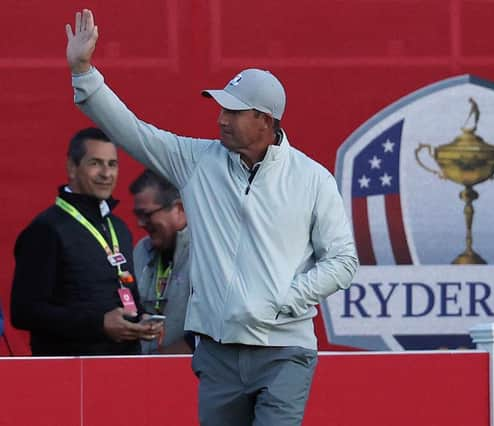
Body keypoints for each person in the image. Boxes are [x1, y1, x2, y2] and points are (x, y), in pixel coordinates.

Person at [66, 10, 358, 425]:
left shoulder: (313, 179)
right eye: (221, 109)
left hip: (285, 353)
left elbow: (343, 262)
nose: (221, 118)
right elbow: (133, 131)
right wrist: (84, 72)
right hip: (218, 355)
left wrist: (282, 302)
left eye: (234, 112)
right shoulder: (198, 161)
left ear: (265, 119)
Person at [11, 127, 161, 356]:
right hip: (70, 374)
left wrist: (141, 319)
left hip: (126, 368)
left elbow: (125, 294)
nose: (106, 173)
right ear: (72, 167)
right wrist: (98, 324)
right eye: (95, 163)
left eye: (112, 164)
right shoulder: (46, 229)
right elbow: (24, 312)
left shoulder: (118, 228)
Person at [130, 169, 193, 354]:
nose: (140, 223)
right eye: (137, 214)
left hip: (193, 376)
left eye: (147, 214)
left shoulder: (207, 253)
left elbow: (216, 328)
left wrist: (163, 362)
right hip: (142, 372)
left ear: (179, 209)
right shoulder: (141, 250)